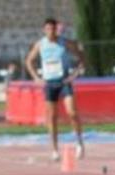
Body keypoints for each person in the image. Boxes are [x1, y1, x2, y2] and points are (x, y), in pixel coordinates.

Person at [24, 17, 87, 161]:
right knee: (52, 117)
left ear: (56, 30)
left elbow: (81, 56)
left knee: (72, 112)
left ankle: (79, 142)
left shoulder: (64, 43)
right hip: (49, 84)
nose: (50, 32)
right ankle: (54, 149)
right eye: (47, 29)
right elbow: (29, 61)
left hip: (64, 82)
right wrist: (36, 77)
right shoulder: (40, 44)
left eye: (53, 29)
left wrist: (75, 73)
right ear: (44, 30)